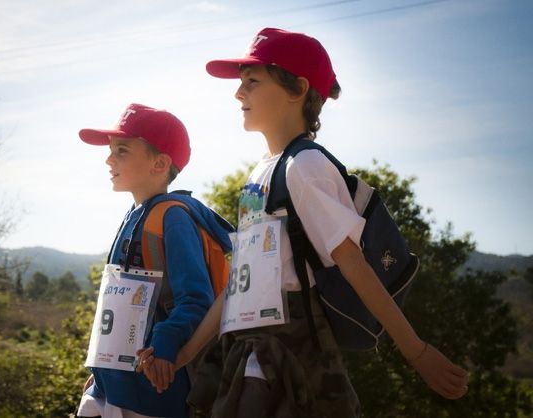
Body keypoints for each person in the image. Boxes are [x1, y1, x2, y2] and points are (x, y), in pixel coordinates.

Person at [137, 28, 469, 417]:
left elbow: (354, 265)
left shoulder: (306, 166)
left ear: (297, 89)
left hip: (294, 363)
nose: (238, 93)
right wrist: (182, 356)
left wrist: (418, 352)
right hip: (250, 355)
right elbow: (238, 287)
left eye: (252, 82)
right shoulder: (260, 173)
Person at [76, 103, 231, 418]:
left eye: (122, 150)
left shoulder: (173, 216)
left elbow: (196, 299)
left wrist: (165, 344)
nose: (109, 159)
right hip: (112, 383)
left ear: (159, 163)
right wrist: (102, 365)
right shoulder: (135, 213)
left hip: (149, 389)